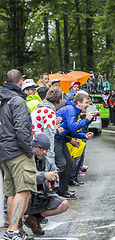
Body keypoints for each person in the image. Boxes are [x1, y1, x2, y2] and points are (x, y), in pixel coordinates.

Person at [0, 69, 37, 240]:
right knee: (24, 190)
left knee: (11, 193)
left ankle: (12, 229)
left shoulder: (2, 100)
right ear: (21, 82)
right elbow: (22, 130)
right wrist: (29, 151)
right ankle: (13, 231)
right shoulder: (17, 101)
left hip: (5, 153)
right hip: (18, 152)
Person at [23, 133, 69, 236]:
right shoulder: (26, 158)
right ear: (36, 147)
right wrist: (44, 175)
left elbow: (55, 177)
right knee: (23, 194)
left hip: (42, 196)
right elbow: (26, 177)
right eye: (42, 149)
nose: (45, 152)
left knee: (64, 204)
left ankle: (34, 219)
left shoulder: (48, 160)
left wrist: (52, 183)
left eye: (46, 150)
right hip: (27, 196)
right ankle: (18, 226)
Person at [55, 94, 95, 199]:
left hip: (61, 139)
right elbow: (73, 127)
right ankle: (55, 189)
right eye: (86, 102)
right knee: (62, 164)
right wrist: (86, 119)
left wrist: (84, 136)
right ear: (78, 103)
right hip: (55, 139)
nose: (88, 105)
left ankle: (63, 190)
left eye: (89, 103)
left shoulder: (75, 111)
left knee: (69, 162)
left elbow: (70, 131)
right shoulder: (71, 109)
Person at [31, 88, 63, 165]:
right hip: (40, 148)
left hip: (33, 146)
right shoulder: (50, 113)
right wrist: (51, 161)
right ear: (59, 101)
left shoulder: (38, 109)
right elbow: (49, 138)